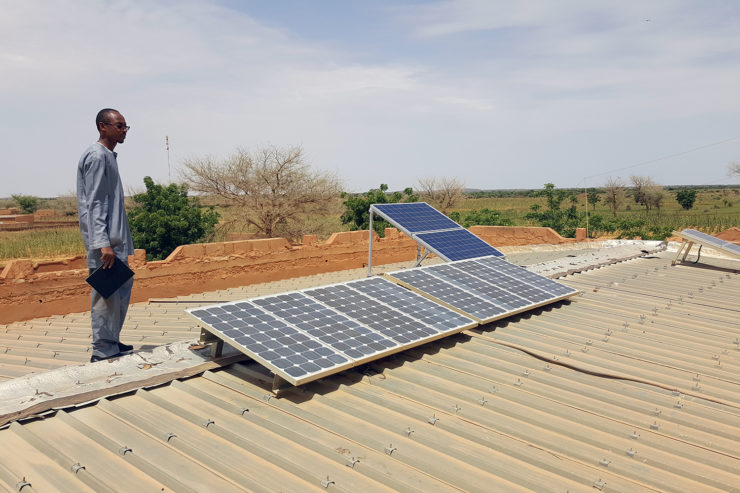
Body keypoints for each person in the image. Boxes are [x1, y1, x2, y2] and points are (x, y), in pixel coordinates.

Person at [76, 108, 135, 362]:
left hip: (116, 241)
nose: (123, 131)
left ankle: (111, 341)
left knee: (119, 292)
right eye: (119, 126)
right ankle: (102, 350)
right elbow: (95, 203)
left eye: (125, 126)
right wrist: (102, 243)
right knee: (106, 295)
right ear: (103, 127)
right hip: (106, 243)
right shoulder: (97, 156)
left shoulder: (109, 156)